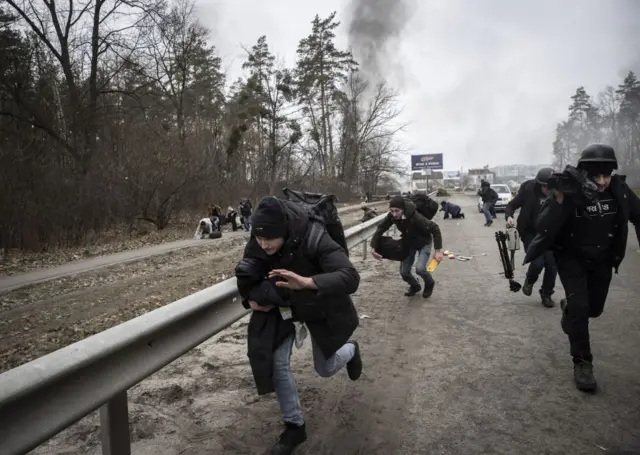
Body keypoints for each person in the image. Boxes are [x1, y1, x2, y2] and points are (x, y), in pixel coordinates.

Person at [235, 196, 362, 454]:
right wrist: (249, 301)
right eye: (258, 239)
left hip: (317, 301)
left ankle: (351, 351)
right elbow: (249, 275)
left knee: (324, 368)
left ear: (284, 230)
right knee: (277, 362)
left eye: (269, 239)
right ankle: (295, 426)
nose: (263, 244)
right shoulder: (260, 238)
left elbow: (350, 277)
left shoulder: (315, 236)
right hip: (282, 303)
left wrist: (307, 283)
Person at [530, 144, 640, 392]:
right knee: (581, 308)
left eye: (606, 175)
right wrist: (558, 200)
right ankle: (582, 362)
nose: (602, 181)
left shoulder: (619, 190)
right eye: (596, 176)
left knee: (594, 309)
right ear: (584, 172)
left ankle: (569, 310)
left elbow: (639, 216)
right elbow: (543, 225)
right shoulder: (569, 190)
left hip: (602, 259)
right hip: (572, 258)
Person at [370, 196, 444, 298]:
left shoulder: (415, 216)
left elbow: (435, 228)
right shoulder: (392, 216)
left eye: (397, 211)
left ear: (403, 209)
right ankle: (415, 286)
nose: (394, 214)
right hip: (409, 243)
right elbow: (381, 227)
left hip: (424, 242)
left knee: (420, 269)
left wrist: (438, 251)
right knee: (404, 272)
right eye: (392, 211)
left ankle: (429, 282)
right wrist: (373, 247)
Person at [504, 168, 557, 308]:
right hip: (530, 233)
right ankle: (530, 280)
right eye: (545, 186)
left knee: (552, 265)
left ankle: (546, 294)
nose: (548, 189)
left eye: (550, 186)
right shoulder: (528, 191)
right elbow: (511, 205)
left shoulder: (558, 193)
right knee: (537, 262)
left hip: (550, 234)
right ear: (539, 184)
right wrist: (509, 217)